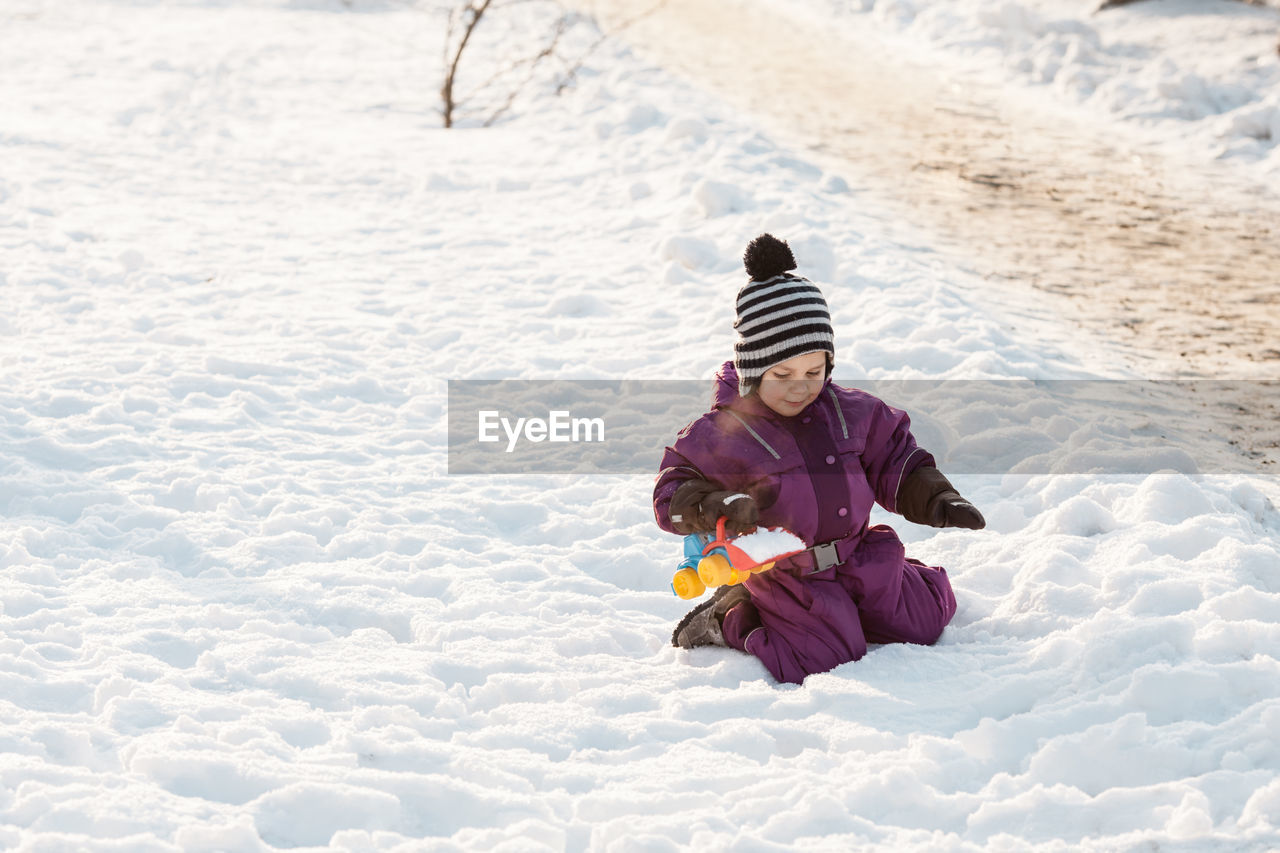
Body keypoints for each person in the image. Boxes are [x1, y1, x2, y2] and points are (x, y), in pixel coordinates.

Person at [653, 233, 986, 685]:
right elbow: (673, 485)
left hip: (858, 552)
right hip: (787, 574)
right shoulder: (725, 434)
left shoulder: (851, 412)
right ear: (753, 370)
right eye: (783, 374)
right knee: (825, 656)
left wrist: (937, 497)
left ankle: (873, 601)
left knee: (926, 618)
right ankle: (734, 614)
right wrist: (710, 507)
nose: (801, 386)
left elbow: (895, 457)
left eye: (815, 371)